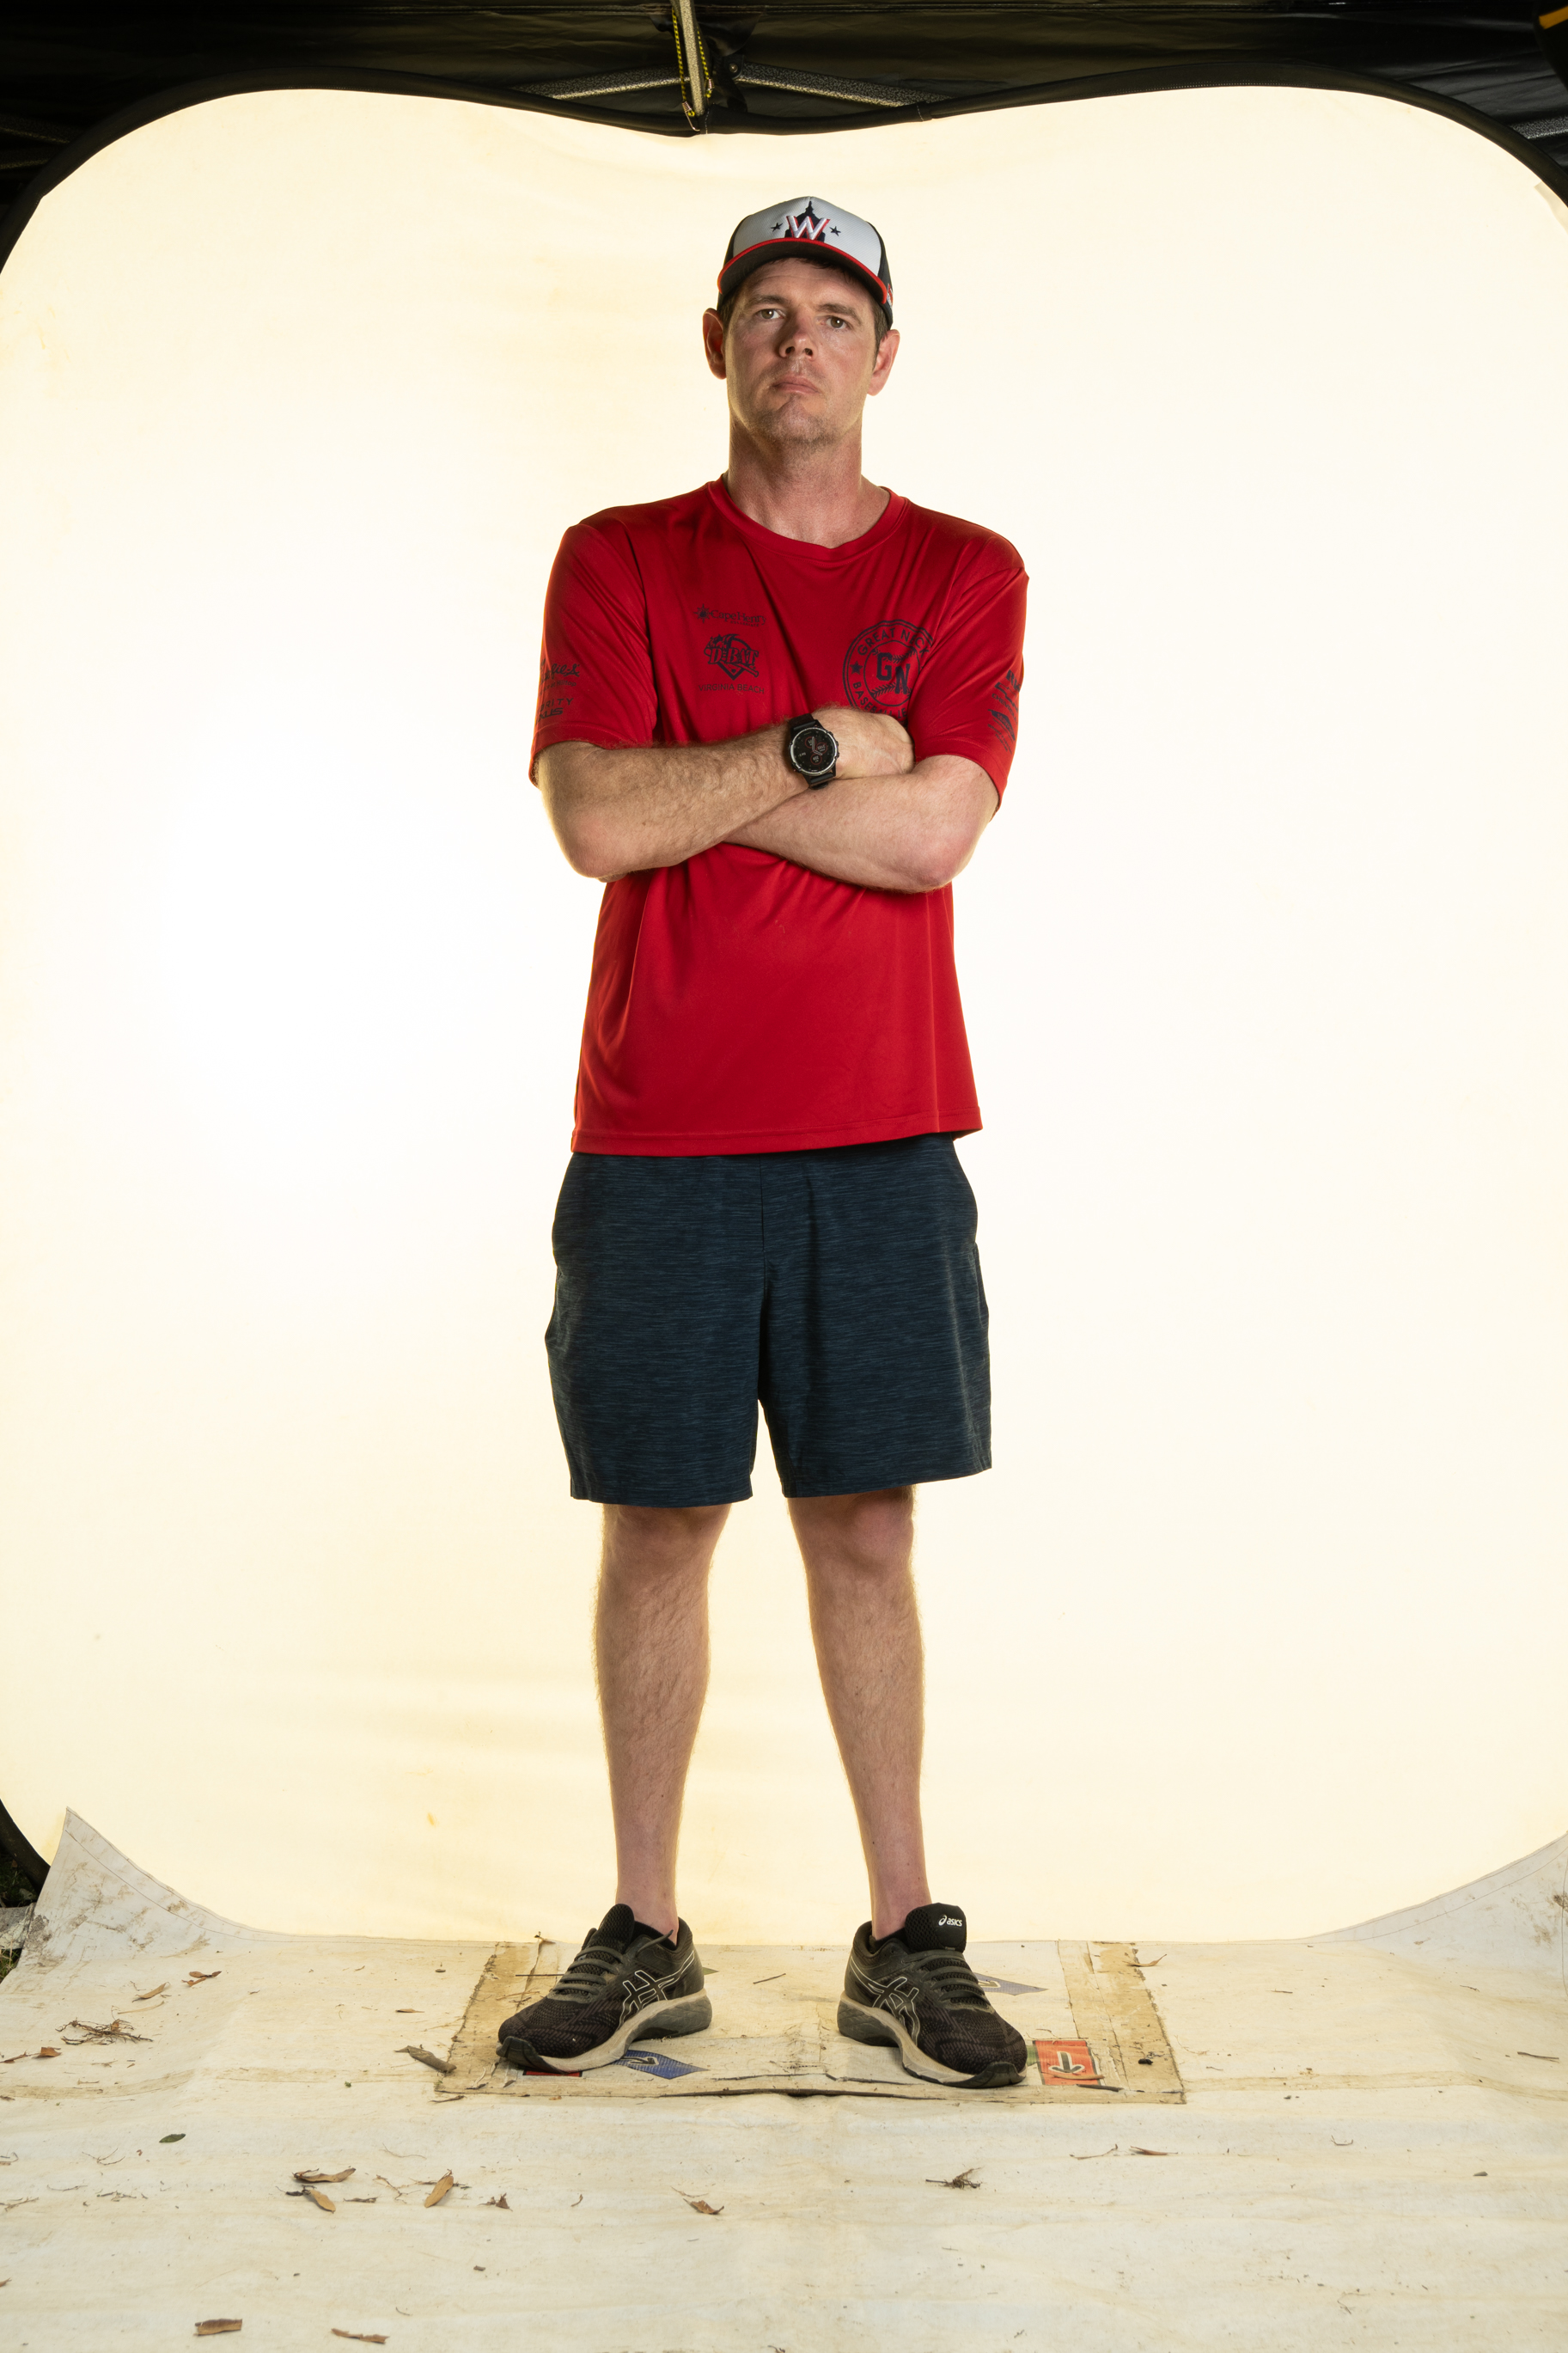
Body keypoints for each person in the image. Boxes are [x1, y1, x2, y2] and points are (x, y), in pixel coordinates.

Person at [498, 198, 1028, 2091]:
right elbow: (590, 820)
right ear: (715, 342)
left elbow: (936, 834)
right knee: (658, 1522)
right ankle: (646, 1931)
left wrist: (697, 786)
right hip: (657, 1131)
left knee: (865, 1527)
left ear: (883, 355)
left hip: (881, 1129)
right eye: (764, 310)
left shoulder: (965, 568)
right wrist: (813, 744)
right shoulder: (617, 557)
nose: (796, 340)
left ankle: (899, 1935)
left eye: (832, 314)